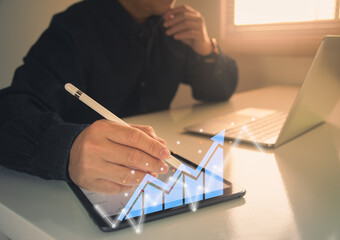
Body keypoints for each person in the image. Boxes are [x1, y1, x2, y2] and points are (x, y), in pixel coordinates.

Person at [0, 0, 238, 194]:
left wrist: (208, 48)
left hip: (150, 181)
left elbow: (219, 90)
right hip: (71, 196)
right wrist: (70, 147)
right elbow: (10, 112)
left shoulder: (173, 28)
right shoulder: (74, 28)